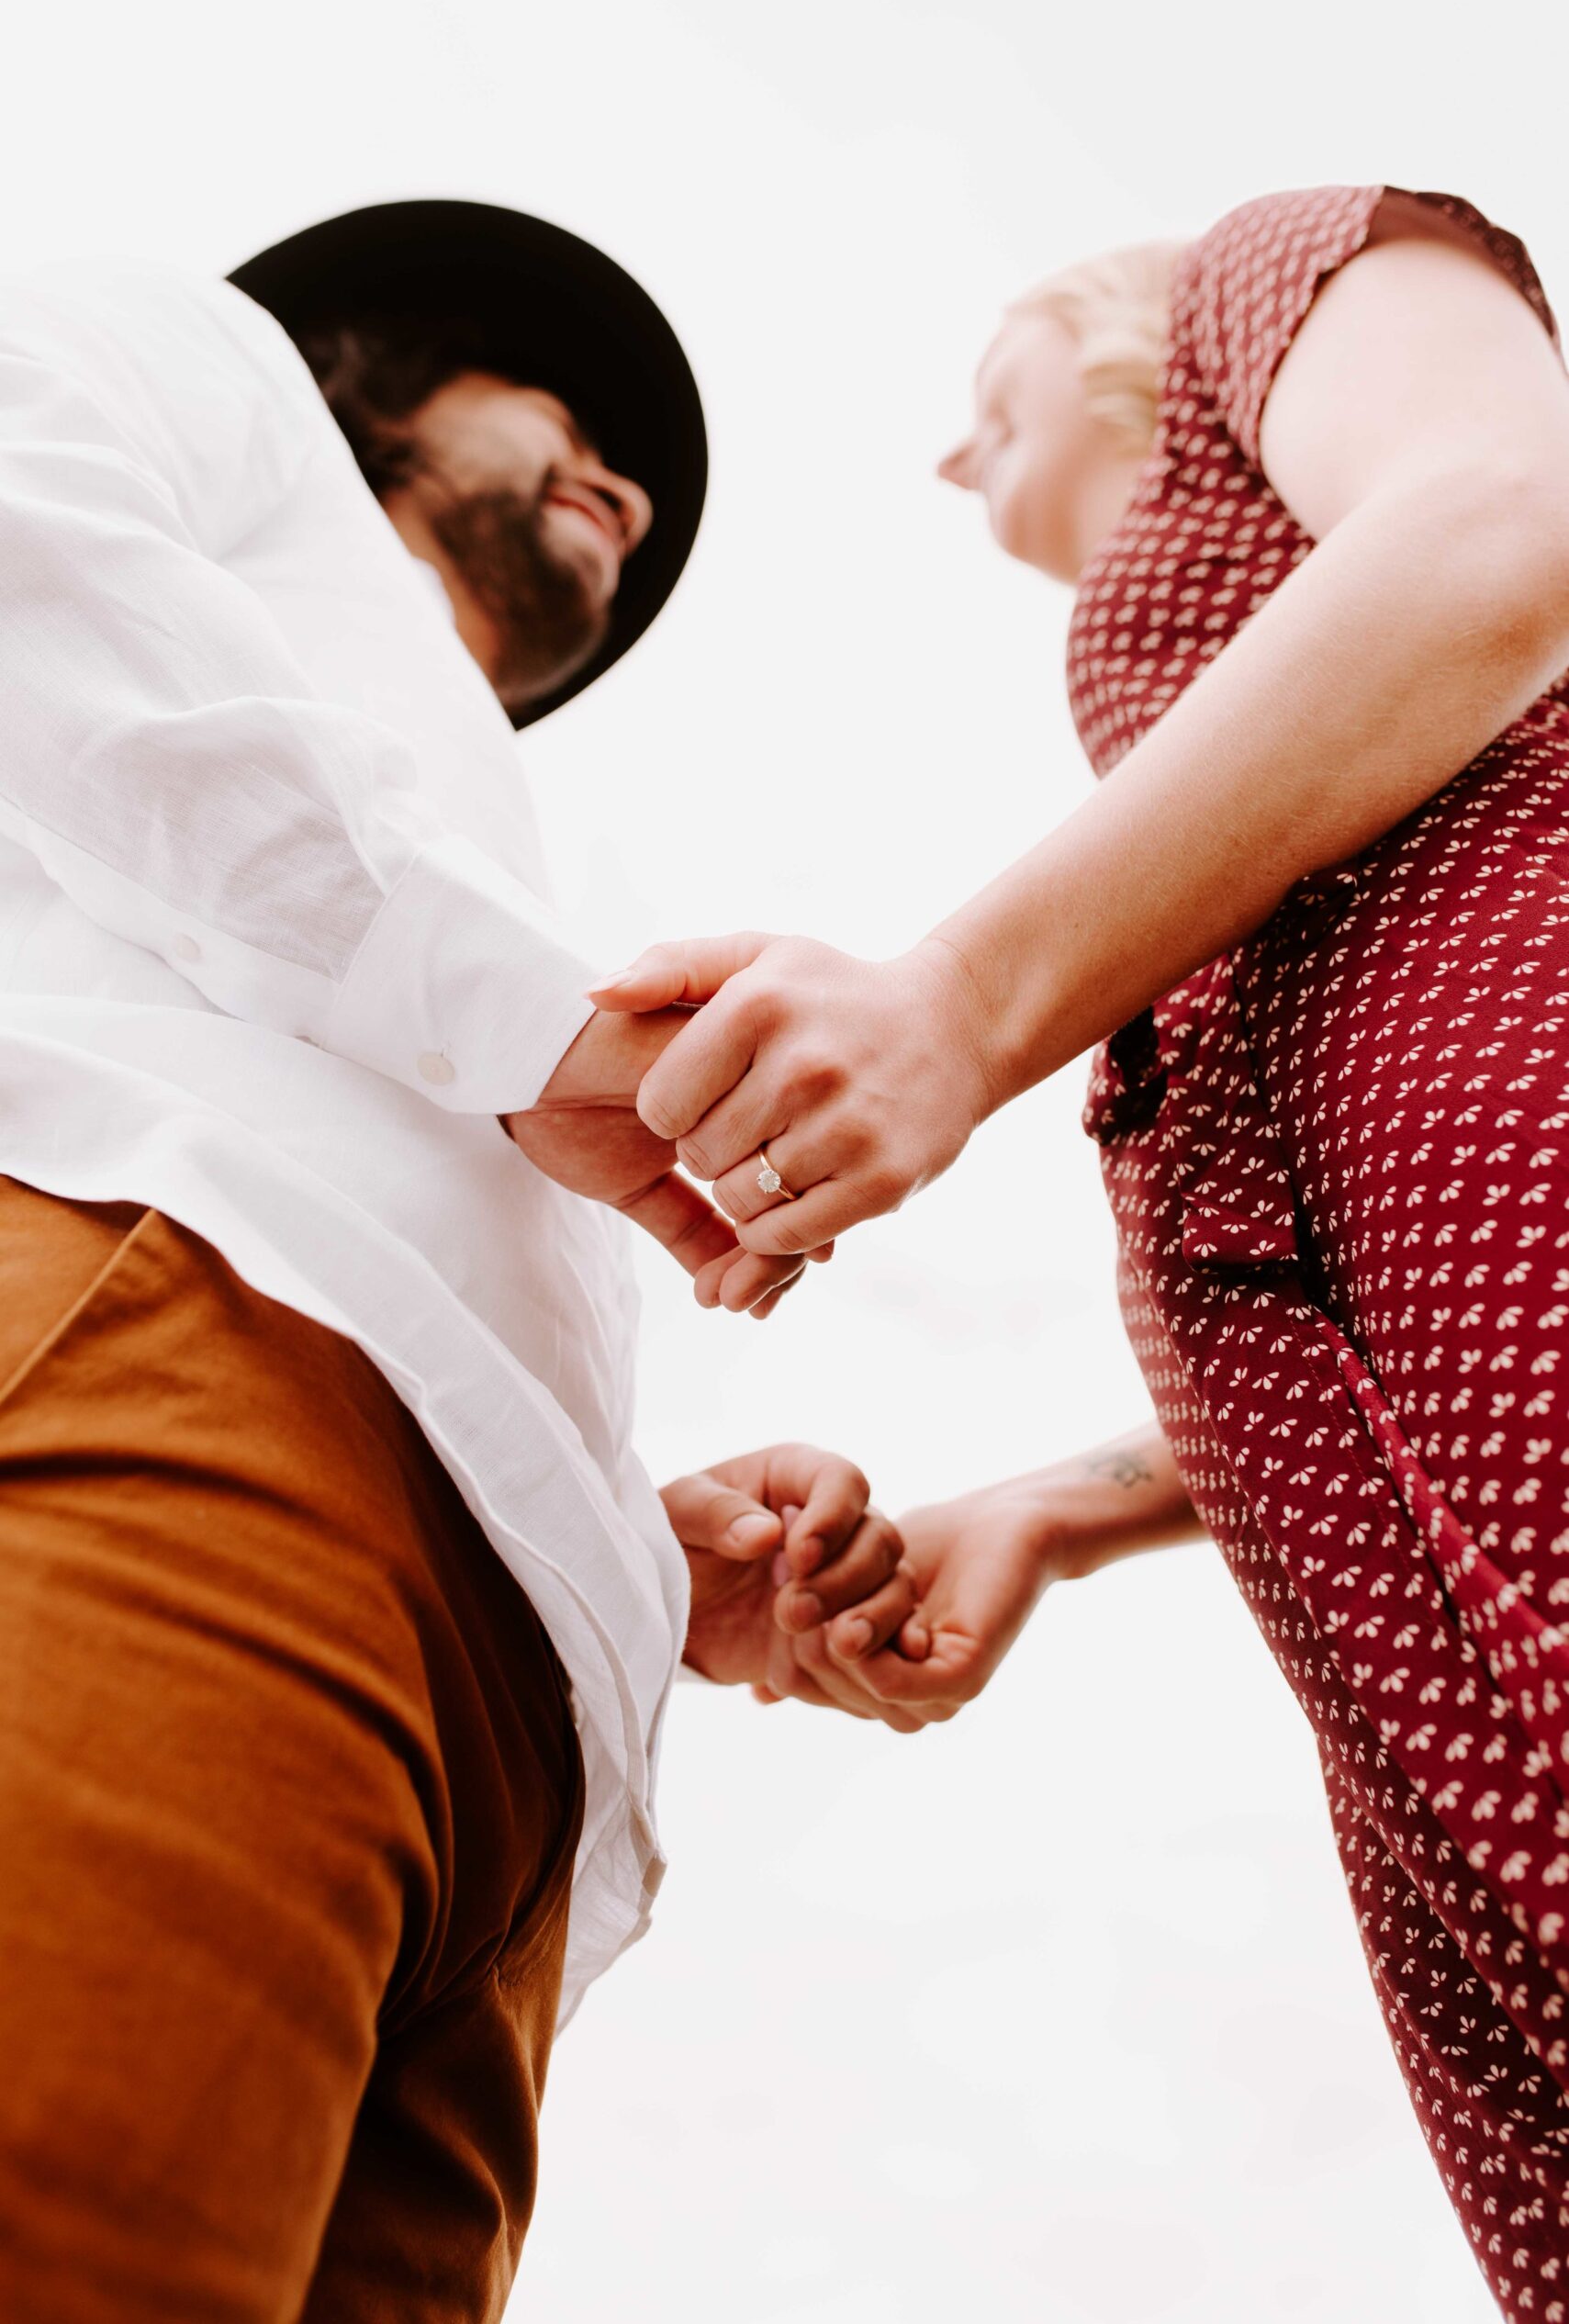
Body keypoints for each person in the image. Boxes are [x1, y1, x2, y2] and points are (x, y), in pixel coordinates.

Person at [594, 186, 1569, 2314]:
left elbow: (1508, 522)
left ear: (1124, 329)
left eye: (985, 391)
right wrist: (1075, 1500)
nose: (957, 459)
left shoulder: (1287, 261)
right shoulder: (1232, 763)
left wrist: (960, 1001)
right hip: (1388, 1598)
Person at [0, 196, 918, 2324]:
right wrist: (523, 1020)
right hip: (176, 1322)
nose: (622, 476)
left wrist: (634, 1542)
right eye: (554, 403)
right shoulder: (193, 363)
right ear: (362, 374)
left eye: (646, 477)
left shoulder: (467, 835)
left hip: (501, 1774)